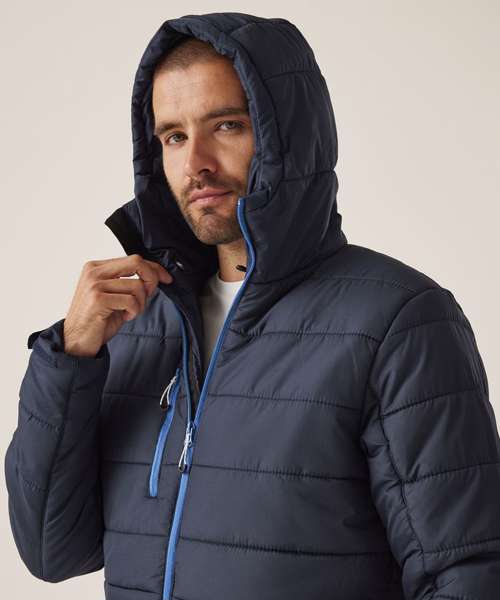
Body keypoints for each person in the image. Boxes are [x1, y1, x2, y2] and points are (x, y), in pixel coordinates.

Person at [4, 11, 500, 600]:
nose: (196, 164)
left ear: (289, 134)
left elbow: (467, 572)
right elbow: (53, 551)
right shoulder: (137, 322)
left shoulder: (397, 321)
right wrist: (70, 359)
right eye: (174, 137)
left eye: (228, 126)